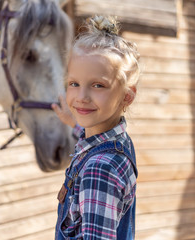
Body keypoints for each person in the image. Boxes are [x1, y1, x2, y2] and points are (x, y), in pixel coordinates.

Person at [51, 15, 141, 240]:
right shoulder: (119, 142)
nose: (81, 97)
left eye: (98, 85)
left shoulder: (99, 169)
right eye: (74, 84)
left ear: (127, 96)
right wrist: (73, 122)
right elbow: (91, 140)